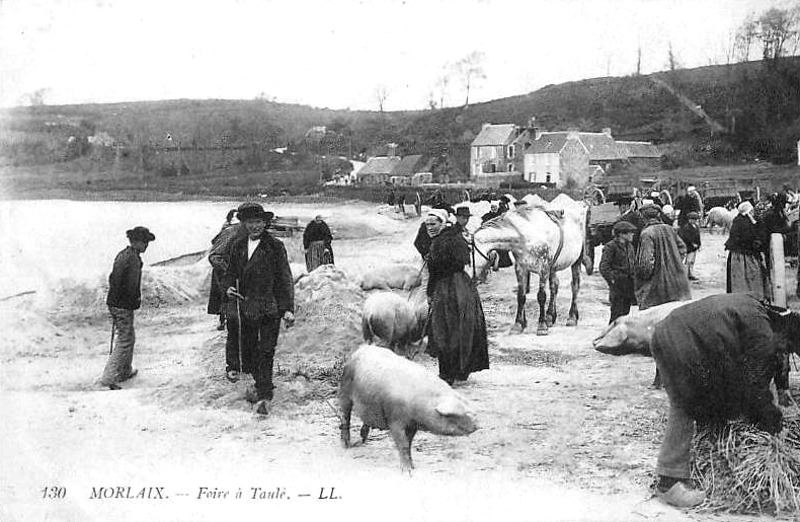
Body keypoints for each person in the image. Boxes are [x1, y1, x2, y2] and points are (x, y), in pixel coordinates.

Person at [649, 293, 800, 508]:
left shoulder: (759, 310)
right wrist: (772, 423)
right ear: (786, 336)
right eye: (787, 349)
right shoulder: (764, 336)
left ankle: (701, 454)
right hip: (679, 340)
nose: (783, 352)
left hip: (673, 331)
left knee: (708, 394)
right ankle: (669, 482)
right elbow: (755, 390)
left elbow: (740, 375)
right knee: (684, 404)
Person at [224, 203, 295, 413]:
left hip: (269, 307)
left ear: (265, 223)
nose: (255, 226)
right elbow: (229, 273)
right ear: (244, 224)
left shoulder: (275, 247)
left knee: (266, 350)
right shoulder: (237, 246)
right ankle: (259, 384)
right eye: (250, 222)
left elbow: (284, 279)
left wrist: (287, 309)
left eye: (258, 222)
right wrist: (228, 287)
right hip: (245, 307)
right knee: (250, 350)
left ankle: (264, 395)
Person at [424, 209, 489, 385]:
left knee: (444, 329)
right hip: (462, 286)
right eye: (427, 224)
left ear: (442, 223)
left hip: (448, 289)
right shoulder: (453, 237)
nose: (430, 228)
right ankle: (461, 370)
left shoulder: (441, 242)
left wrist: (430, 292)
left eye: (433, 224)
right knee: (464, 327)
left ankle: (447, 373)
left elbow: (436, 272)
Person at [99, 226, 156, 390]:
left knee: (128, 337)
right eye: (144, 242)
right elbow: (131, 285)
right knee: (125, 339)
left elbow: (112, 278)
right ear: (137, 242)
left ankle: (124, 370)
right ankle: (109, 378)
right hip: (122, 304)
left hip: (115, 302)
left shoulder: (123, 254)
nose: (146, 245)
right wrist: (134, 302)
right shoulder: (133, 259)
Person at [634, 204, 691, 311]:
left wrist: (643, 278)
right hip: (676, 282)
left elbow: (646, 264)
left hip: (657, 286)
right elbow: (682, 248)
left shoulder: (647, 233)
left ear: (643, 217)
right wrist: (675, 261)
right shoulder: (669, 229)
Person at [725, 201, 770, 301]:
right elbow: (742, 237)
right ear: (748, 211)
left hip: (747, 253)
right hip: (741, 255)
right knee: (745, 276)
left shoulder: (749, 220)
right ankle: (745, 297)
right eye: (752, 210)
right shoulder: (740, 221)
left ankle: (751, 296)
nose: (753, 212)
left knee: (752, 275)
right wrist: (754, 242)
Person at [599, 221, 637, 323]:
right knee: (616, 314)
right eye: (629, 232)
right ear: (621, 234)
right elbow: (604, 266)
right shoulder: (611, 247)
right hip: (618, 284)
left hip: (628, 284)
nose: (632, 234)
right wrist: (612, 280)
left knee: (625, 313)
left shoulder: (630, 247)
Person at [208, 209, 239, 330]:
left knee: (225, 296)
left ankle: (224, 321)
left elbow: (214, 240)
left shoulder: (229, 228)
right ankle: (223, 321)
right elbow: (215, 251)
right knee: (223, 295)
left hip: (225, 267)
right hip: (223, 268)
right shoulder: (229, 231)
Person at [677, 211, 701, 281]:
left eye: (695, 219)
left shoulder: (696, 227)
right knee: (688, 261)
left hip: (694, 246)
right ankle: (686, 274)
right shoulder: (686, 228)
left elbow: (698, 236)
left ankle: (690, 273)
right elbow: (686, 238)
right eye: (692, 219)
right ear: (689, 219)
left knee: (692, 261)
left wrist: (699, 244)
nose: (694, 221)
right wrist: (692, 243)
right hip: (689, 246)